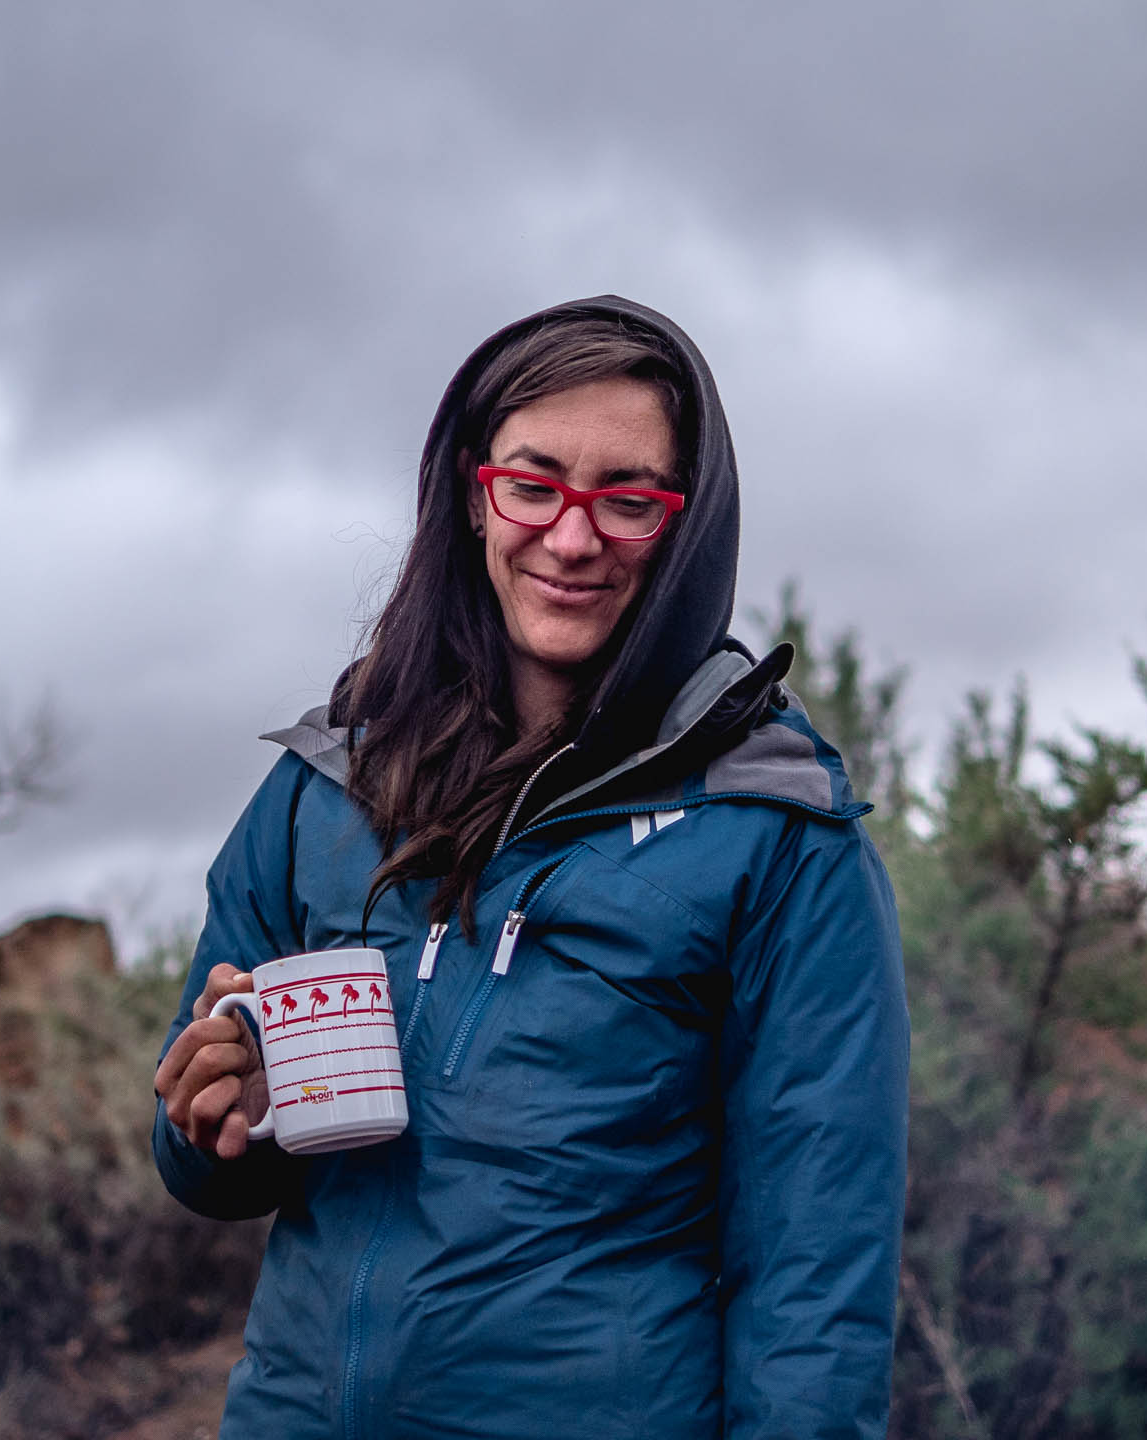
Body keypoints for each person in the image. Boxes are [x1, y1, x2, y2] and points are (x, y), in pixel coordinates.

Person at [152, 295, 909, 1439]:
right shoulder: (325, 790)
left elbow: (817, 1284)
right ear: (473, 494)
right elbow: (207, 1163)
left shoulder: (777, 833)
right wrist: (218, 1118)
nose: (571, 536)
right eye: (534, 483)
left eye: (628, 500)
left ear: (687, 523)